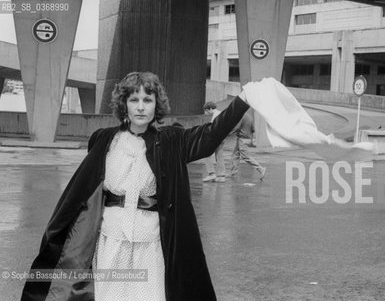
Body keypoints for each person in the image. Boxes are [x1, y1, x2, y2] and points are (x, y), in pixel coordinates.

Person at [21, 71, 250, 301]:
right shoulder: (103, 139)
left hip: (149, 246)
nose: (141, 107)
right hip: (110, 242)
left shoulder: (172, 141)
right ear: (124, 104)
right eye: (134, 100)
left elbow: (210, 136)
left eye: (147, 100)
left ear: (156, 105)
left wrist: (243, 100)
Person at [230, 111, 266, 180]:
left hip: (242, 139)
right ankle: (233, 173)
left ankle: (261, 169)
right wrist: (252, 139)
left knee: (245, 156)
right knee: (235, 155)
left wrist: (227, 133)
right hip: (247, 138)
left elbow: (236, 128)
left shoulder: (241, 116)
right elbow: (253, 129)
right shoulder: (249, 117)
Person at [202, 101, 226, 182]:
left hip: (216, 138)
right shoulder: (221, 113)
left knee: (205, 153)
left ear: (211, 108)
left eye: (207, 110)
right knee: (219, 156)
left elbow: (212, 129)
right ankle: (221, 176)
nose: (206, 113)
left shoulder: (216, 116)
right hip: (222, 138)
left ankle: (211, 174)